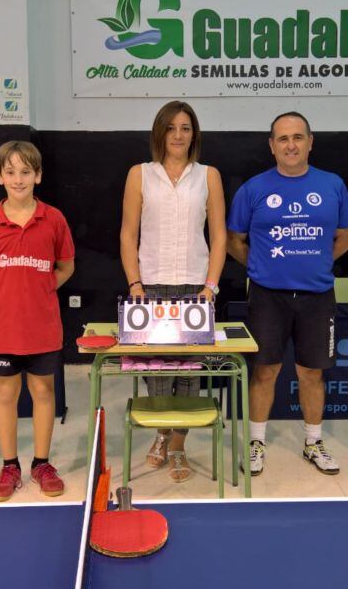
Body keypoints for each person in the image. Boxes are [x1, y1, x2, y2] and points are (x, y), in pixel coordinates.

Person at [227, 112, 348, 476]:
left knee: (312, 373)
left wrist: (316, 261)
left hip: (317, 295)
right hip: (268, 296)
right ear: (271, 145)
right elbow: (234, 240)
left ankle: (313, 442)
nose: (291, 145)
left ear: (310, 142)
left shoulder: (332, 185)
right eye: (283, 139)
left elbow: (346, 235)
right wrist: (261, 266)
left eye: (298, 137)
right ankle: (256, 443)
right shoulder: (253, 188)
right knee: (265, 371)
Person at [119, 101, 227, 482]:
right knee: (157, 372)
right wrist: (135, 284)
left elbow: (218, 236)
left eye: (185, 128)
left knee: (191, 374)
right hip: (151, 287)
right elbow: (128, 233)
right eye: (171, 128)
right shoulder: (140, 174)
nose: (178, 135)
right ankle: (162, 434)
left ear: (194, 133)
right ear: (159, 133)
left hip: (195, 289)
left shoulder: (208, 176)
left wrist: (210, 287)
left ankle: (178, 445)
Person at [0, 141, 75, 501]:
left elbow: (66, 267)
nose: (19, 179)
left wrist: (42, 288)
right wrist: (7, 290)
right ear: (0, 176)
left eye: (26, 171)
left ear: (38, 175)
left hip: (42, 325)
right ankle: (9, 465)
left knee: (44, 392)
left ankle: (42, 463)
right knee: (5, 392)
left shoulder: (54, 219)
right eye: (11, 171)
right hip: (1, 325)